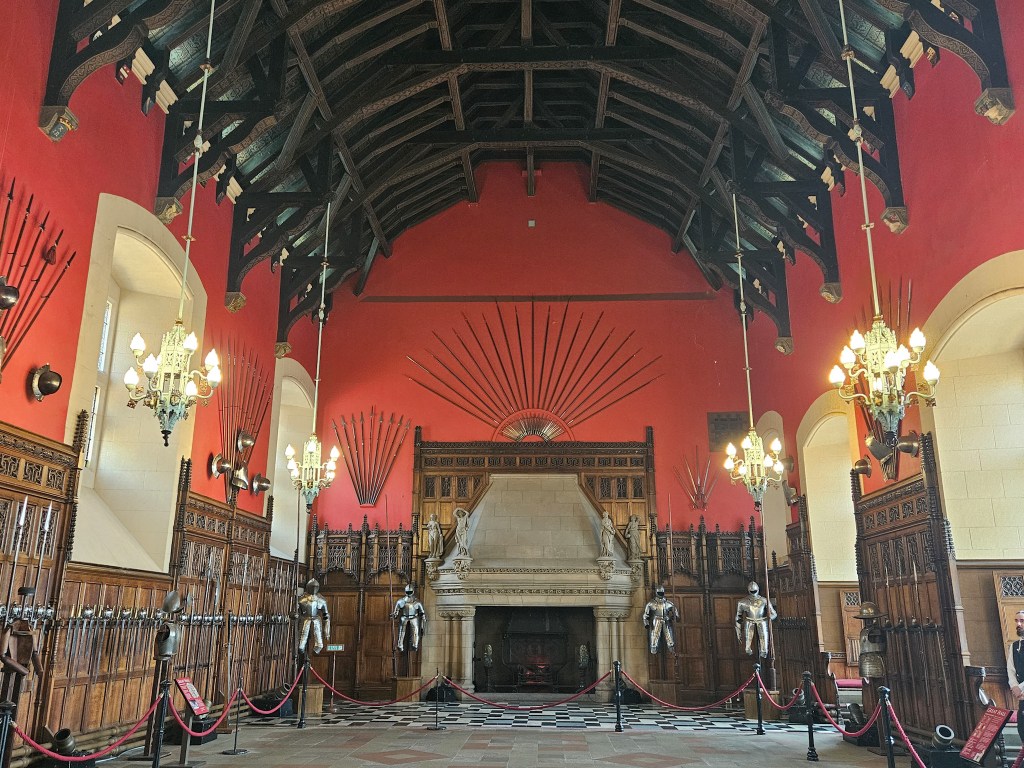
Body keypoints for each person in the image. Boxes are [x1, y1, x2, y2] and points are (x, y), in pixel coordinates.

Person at [735, 581, 777, 658]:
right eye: (752, 591)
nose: (753, 593)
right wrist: (738, 631)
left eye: (754, 591)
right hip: (749, 621)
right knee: (748, 644)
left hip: (762, 621)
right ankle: (748, 649)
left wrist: (770, 617)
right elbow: (738, 617)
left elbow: (774, 613)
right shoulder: (742, 602)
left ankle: (764, 652)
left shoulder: (764, 600)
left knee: (764, 646)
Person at [297, 578, 331, 657]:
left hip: (316, 619)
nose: (313, 589)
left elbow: (326, 615)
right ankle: (301, 649)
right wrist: (295, 615)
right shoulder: (302, 599)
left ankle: (315, 649)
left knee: (319, 642)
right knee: (302, 641)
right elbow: (294, 611)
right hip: (305, 618)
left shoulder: (321, 600)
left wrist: (327, 631)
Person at [855, 602, 887, 680]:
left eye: (870, 619)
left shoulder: (876, 631)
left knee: (877, 681)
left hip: (875, 660)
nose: (868, 621)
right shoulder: (864, 631)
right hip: (864, 660)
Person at [643, 586, 678, 655]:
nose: (661, 594)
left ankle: (671, 646)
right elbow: (645, 615)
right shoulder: (651, 603)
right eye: (659, 592)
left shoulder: (668, 603)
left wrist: (675, 617)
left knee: (668, 633)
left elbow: (675, 611)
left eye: (661, 592)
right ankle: (653, 646)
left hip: (666, 619)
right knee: (655, 633)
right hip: (656, 619)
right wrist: (646, 623)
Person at [393, 584, 426, 651]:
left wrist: (423, 620)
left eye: (410, 592)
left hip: (414, 617)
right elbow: (396, 611)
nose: (409, 593)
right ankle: (400, 645)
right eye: (407, 592)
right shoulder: (401, 601)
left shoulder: (417, 601)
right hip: (404, 617)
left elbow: (422, 612)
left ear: (413, 591)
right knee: (401, 631)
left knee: (415, 631)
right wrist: (394, 615)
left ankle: (415, 644)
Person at [1007, 610, 1024, 741]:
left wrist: (1021, 687)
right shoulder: (1014, 646)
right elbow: (1011, 669)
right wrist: (1014, 686)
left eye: (1022, 621)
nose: (1018, 624)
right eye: (1016, 621)